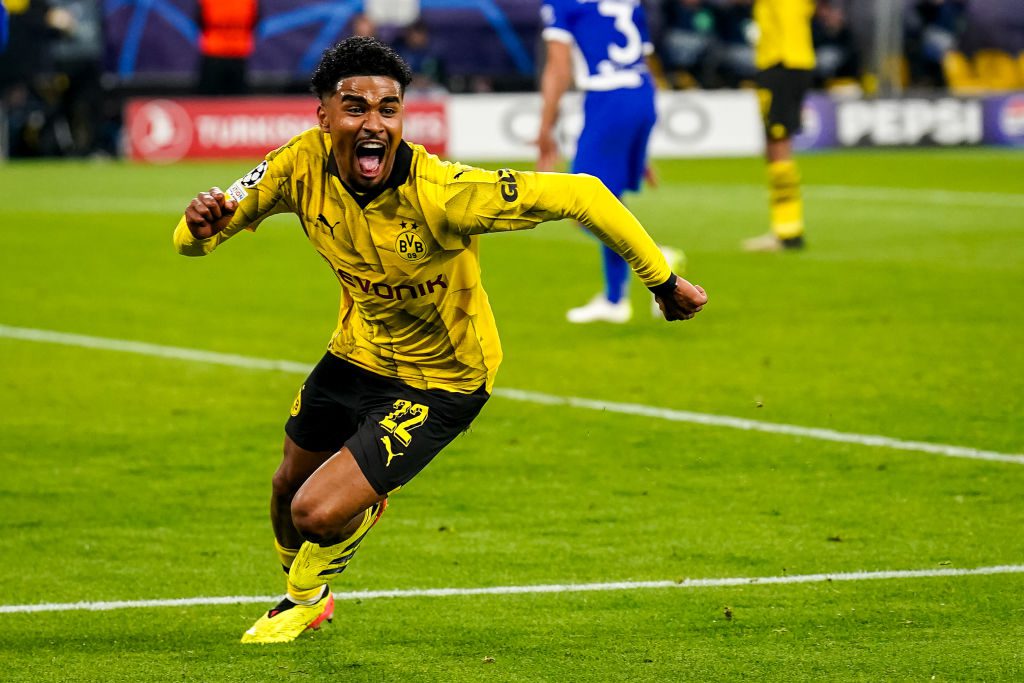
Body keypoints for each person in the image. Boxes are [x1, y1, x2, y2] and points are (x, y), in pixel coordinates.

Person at [173, 36, 707, 645]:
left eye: (389, 108)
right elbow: (194, 239)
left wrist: (662, 282)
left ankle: (305, 586)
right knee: (284, 490)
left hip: (444, 378)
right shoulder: (297, 166)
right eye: (355, 108)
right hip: (358, 353)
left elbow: (583, 194)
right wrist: (197, 230)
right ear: (324, 117)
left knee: (315, 511)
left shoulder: (443, 192)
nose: (374, 123)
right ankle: (311, 594)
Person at [536, 0, 682, 324]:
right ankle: (615, 300)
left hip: (607, 98)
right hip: (642, 95)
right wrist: (639, 147)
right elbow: (643, 59)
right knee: (609, 201)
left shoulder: (562, 4)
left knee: (583, 209)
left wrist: (545, 128)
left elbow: (559, 68)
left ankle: (652, 257)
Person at [742, 0, 814, 253]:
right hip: (799, 60)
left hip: (781, 62)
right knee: (779, 147)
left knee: (777, 148)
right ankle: (787, 229)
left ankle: (786, 231)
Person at [196, 0, 259, 96]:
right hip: (236, 49)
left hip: (215, 49)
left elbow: (199, 20)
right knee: (237, 99)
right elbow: (255, 20)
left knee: (207, 99)